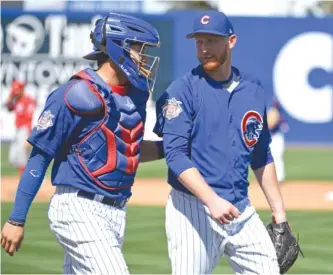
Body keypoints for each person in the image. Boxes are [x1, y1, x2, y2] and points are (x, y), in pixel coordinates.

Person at [1, 12, 164, 274]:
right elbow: (40, 156)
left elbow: (127, 148)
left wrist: (172, 148)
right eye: (138, 48)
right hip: (78, 208)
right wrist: (16, 219)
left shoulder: (135, 94)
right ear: (117, 48)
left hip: (116, 212)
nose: (143, 56)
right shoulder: (77, 94)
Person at [154, 11, 290, 274]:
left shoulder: (252, 88)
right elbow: (176, 155)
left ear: (231, 40)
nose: (204, 49)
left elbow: (261, 155)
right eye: (199, 41)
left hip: (241, 208)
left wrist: (280, 215)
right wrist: (211, 199)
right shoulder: (182, 91)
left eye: (212, 40)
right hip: (192, 209)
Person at [6, 80, 36, 176]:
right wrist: (11, 96)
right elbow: (9, 108)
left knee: (23, 155)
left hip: (25, 130)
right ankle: (26, 174)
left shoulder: (28, 100)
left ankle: (26, 177)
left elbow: (29, 118)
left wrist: (28, 135)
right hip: (18, 129)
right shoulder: (17, 100)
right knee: (14, 157)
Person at [267, 97, 288, 183]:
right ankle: (271, 177)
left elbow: (272, 125)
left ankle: (280, 177)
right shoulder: (272, 112)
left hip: (276, 137)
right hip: (271, 137)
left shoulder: (277, 113)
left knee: (277, 156)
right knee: (270, 158)